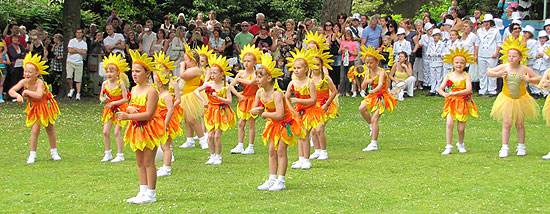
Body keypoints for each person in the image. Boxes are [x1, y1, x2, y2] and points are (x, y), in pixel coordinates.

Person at [116, 50, 166, 204]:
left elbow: (149, 114)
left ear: (147, 72)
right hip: (137, 129)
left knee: (148, 161)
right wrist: (130, 109)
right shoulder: (134, 89)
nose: (134, 74)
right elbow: (132, 105)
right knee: (139, 161)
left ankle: (151, 193)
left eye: (138, 71)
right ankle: (142, 191)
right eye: (133, 71)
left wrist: (128, 116)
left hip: (149, 129)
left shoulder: (151, 90)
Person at [252, 53, 305, 191]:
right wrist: (256, 111)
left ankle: (281, 180)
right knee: (271, 150)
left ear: (269, 78)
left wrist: (264, 113)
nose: (256, 79)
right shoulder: (259, 93)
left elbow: (280, 113)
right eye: (256, 76)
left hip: (285, 123)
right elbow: (253, 109)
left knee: (281, 150)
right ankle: (272, 179)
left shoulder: (277, 94)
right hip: (273, 123)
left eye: (259, 76)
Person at [487, 38, 540, 158]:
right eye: (509, 56)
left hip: (521, 98)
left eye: (514, 56)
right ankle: (504, 146)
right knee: (506, 123)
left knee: (520, 123)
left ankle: (521, 146)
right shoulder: (504, 67)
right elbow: (489, 72)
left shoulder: (525, 69)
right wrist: (498, 74)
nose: (511, 58)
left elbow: (538, 79)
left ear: (520, 57)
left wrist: (529, 80)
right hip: (506, 98)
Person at [8, 53, 60, 164]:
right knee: (35, 130)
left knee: (49, 128)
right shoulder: (24, 82)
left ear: (36, 73)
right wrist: (17, 95)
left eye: (30, 72)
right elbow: (11, 91)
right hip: (35, 107)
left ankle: (54, 152)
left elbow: (39, 95)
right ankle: (32, 154)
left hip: (45, 106)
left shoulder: (39, 82)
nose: (27, 74)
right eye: (25, 71)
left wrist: (26, 92)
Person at [286, 48, 328, 170]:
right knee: (300, 135)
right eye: (294, 68)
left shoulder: (309, 82)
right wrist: (292, 110)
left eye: (299, 68)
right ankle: (300, 158)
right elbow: (286, 98)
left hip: (309, 110)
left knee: (305, 134)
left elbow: (313, 100)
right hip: (298, 111)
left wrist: (298, 100)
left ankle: (306, 159)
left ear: (306, 69)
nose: (296, 70)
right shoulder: (292, 83)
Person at [194, 54, 236, 165]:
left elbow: (229, 101)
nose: (212, 75)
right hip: (211, 111)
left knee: (217, 135)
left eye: (215, 73)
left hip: (221, 112)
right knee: (210, 135)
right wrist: (203, 100)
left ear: (222, 74)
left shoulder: (225, 86)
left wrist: (219, 98)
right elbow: (196, 91)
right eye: (211, 73)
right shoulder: (208, 84)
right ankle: (212, 155)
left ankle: (218, 156)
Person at [438, 47, 479, 155]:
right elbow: (440, 88)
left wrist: (455, 93)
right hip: (451, 103)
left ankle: (460, 144)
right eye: (457, 62)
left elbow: (469, 89)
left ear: (465, 65)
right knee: (449, 123)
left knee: (461, 128)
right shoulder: (449, 75)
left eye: (461, 63)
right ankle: (448, 146)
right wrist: (444, 94)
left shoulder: (466, 76)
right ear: (452, 64)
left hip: (462, 102)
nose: (459, 65)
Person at [359, 46, 397, 152]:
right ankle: (371, 126)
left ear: (376, 62)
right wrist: (366, 82)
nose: (369, 65)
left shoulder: (381, 72)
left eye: (371, 63)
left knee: (375, 118)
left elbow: (380, 84)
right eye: (367, 63)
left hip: (382, 96)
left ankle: (373, 144)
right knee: (361, 108)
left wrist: (374, 90)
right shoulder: (367, 72)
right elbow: (362, 87)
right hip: (373, 96)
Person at [153, 52, 182, 176]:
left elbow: (170, 109)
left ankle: (167, 168)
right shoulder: (159, 94)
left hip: (166, 121)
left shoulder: (166, 95)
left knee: (166, 146)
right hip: (160, 120)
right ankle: (165, 165)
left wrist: (164, 123)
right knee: (163, 145)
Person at [229, 44, 262, 154]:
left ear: (254, 63)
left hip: (253, 99)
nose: (246, 63)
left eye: (249, 61)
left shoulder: (255, 73)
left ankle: (250, 146)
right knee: (241, 123)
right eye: (244, 61)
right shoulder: (241, 73)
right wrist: (238, 95)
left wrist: (238, 79)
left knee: (251, 123)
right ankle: (240, 145)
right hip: (244, 99)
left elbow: (250, 82)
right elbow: (231, 86)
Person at [99, 53, 129, 163]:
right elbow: (101, 96)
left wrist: (114, 103)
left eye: (112, 71)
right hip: (108, 109)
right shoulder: (104, 83)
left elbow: (125, 99)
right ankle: (107, 153)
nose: (109, 74)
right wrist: (104, 100)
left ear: (117, 73)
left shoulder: (120, 84)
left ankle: (120, 154)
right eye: (107, 71)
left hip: (119, 108)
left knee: (117, 132)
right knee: (105, 131)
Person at [178, 45, 208, 149]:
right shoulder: (192, 69)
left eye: (186, 60)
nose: (184, 62)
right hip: (186, 95)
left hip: (192, 95)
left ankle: (203, 139)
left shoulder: (195, 69)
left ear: (193, 61)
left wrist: (181, 66)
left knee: (192, 119)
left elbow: (183, 75)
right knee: (186, 119)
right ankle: (189, 140)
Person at [310, 48, 337, 160]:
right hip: (313, 106)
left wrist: (327, 104)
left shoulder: (325, 78)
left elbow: (334, 91)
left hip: (325, 105)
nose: (315, 67)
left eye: (317, 64)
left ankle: (324, 151)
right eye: (313, 64)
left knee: (320, 129)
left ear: (321, 65)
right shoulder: (309, 78)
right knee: (313, 130)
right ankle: (317, 150)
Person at [477, 14, 501, 97]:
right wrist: (476, 54)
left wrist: (496, 53)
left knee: (492, 72)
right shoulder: (479, 31)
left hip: (491, 54)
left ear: (491, 22)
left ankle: (492, 90)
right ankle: (483, 89)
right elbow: (477, 43)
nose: (486, 23)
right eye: (485, 22)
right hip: (481, 54)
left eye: (488, 22)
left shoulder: (495, 31)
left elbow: (499, 43)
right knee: (482, 73)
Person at [66, 29, 87, 100]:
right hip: (70, 61)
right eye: (77, 32)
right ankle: (71, 89)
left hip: (79, 62)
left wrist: (76, 49)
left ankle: (78, 93)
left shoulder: (84, 43)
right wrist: (79, 50)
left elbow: (84, 52)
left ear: (82, 34)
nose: (79, 34)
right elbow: (70, 50)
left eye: (80, 33)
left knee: (78, 79)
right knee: (69, 76)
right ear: (75, 33)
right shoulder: (72, 41)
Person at [427, 29, 446, 96]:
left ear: (439, 36)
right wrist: (430, 54)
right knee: (433, 77)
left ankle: (438, 90)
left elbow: (444, 53)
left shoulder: (442, 44)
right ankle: (432, 89)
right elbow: (427, 52)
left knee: (439, 77)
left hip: (439, 62)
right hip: (432, 61)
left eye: (436, 35)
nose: (435, 37)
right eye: (434, 35)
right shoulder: (430, 44)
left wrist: (439, 54)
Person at [339, 30, 358, 96]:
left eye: (348, 36)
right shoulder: (343, 43)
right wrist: (342, 49)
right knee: (342, 76)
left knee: (349, 76)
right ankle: (341, 91)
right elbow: (339, 52)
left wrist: (349, 51)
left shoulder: (353, 43)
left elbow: (356, 53)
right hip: (343, 60)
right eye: (346, 36)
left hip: (351, 60)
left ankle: (348, 91)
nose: (347, 38)